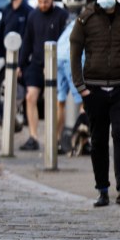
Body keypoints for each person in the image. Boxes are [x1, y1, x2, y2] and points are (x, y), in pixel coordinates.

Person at [70, 0, 120, 207]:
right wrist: (81, 86)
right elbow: (74, 50)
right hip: (94, 89)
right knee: (98, 140)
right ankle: (102, 189)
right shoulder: (85, 19)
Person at [17, 0, 69, 151]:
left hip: (57, 64)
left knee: (56, 101)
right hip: (37, 63)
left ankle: (56, 138)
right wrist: (21, 64)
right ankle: (33, 136)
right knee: (31, 96)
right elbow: (27, 41)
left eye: (46, 1)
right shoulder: (33, 16)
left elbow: (66, 43)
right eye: (40, 1)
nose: (43, 5)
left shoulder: (62, 16)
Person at [54, 17, 83, 154]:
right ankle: (80, 142)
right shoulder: (96, 20)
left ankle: (55, 141)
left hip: (57, 56)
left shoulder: (74, 20)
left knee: (60, 100)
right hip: (73, 57)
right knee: (84, 100)